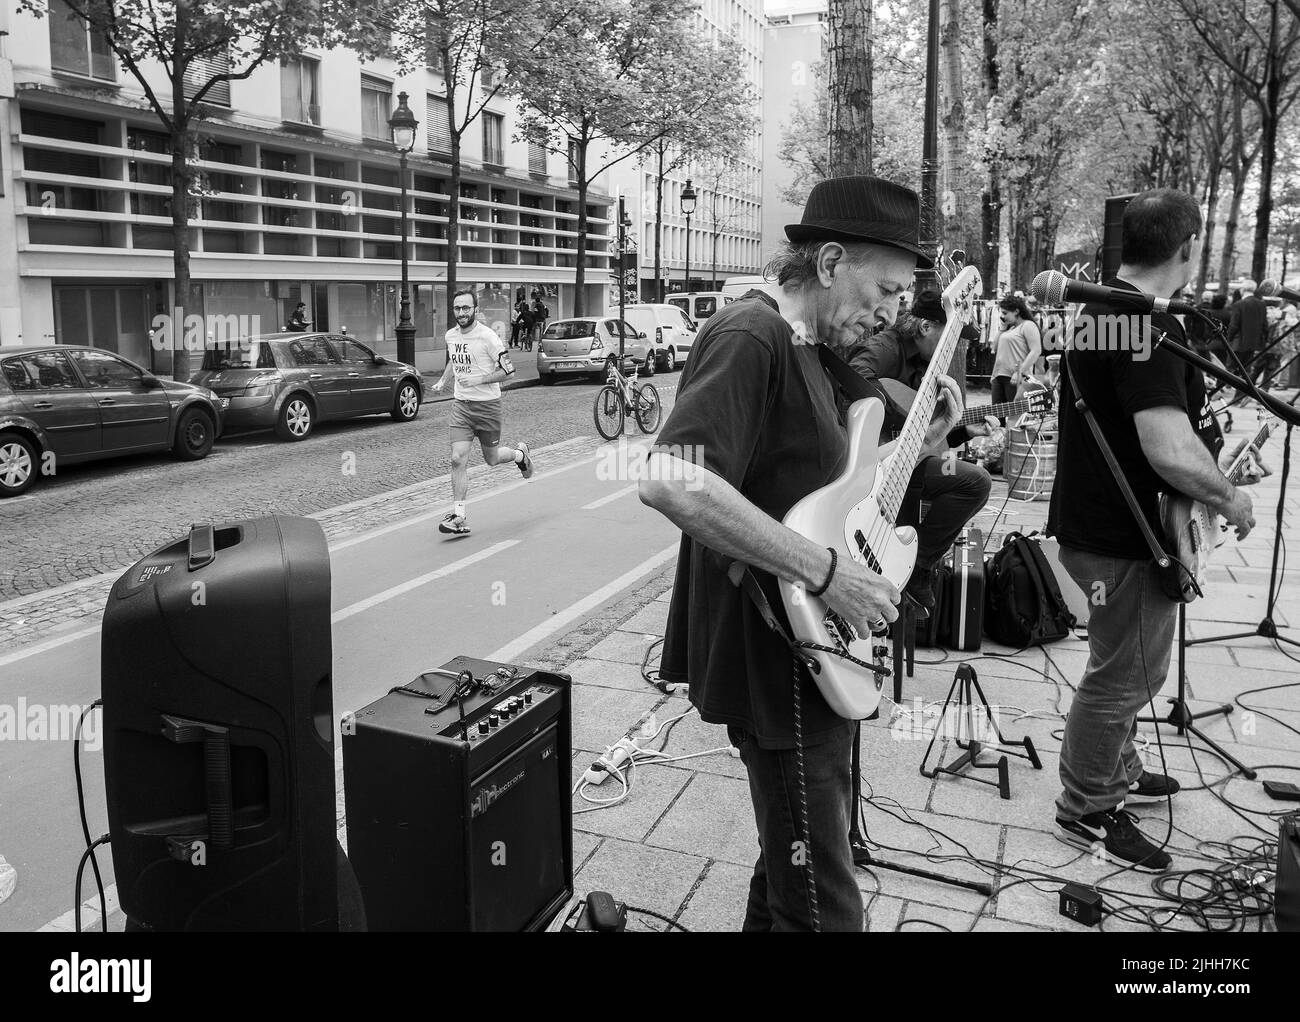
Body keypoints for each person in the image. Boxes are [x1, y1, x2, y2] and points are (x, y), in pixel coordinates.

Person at [640, 176, 966, 931]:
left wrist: (929, 442)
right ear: (826, 263)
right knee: (825, 904)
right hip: (776, 650)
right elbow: (670, 481)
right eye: (883, 289)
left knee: (792, 865)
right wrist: (826, 572)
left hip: (807, 647)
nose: (890, 313)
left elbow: (827, 488)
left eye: (901, 298)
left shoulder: (813, 351)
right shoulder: (753, 336)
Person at [1046, 188, 1264, 873]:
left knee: (1121, 664)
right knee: (1125, 675)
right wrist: (1230, 498)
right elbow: (1166, 447)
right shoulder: (1147, 326)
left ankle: (1121, 768)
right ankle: (1087, 807)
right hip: (1125, 538)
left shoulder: (1103, 310)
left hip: (1095, 525)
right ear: (1187, 248)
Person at [833, 290, 995, 618]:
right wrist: (910, 413)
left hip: (908, 460)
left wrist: (963, 429)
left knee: (974, 481)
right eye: (951, 338)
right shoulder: (884, 348)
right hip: (869, 461)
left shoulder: (930, 364)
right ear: (924, 327)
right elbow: (853, 383)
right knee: (970, 482)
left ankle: (917, 568)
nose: (955, 349)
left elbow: (927, 435)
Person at [431, 288, 534, 535]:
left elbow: (508, 372)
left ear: (476, 309)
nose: (461, 312)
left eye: (466, 308)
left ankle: (520, 455)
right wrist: (444, 380)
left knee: (492, 459)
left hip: (487, 407)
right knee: (457, 459)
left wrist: (479, 380)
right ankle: (458, 516)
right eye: (457, 308)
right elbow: (454, 360)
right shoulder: (451, 336)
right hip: (461, 406)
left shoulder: (489, 338)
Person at [988, 295, 1042, 418]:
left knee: (1015, 418)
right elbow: (994, 348)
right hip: (999, 376)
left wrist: (1020, 372)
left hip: (1015, 377)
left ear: (1016, 311)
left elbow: (1036, 350)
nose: (1002, 316)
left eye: (1005, 313)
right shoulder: (1010, 328)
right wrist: (1002, 328)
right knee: (996, 418)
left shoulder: (1027, 325)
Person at [1227, 282, 1269, 393]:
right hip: (1254, 342)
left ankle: (1220, 391)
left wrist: (1228, 338)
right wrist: (1265, 340)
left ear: (1242, 290)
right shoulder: (1262, 304)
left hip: (1238, 342)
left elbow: (1234, 325)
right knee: (1246, 370)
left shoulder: (1239, 304)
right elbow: (1265, 325)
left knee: (1230, 367)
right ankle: (1240, 395)